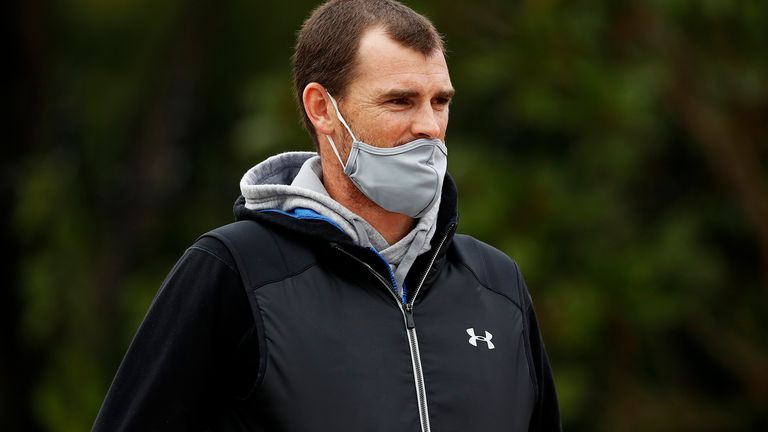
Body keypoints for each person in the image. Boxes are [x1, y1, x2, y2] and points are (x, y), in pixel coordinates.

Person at [93, 0, 561, 430]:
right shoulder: (236, 272)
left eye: (440, 101)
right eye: (400, 101)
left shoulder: (498, 286)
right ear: (322, 109)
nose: (429, 127)